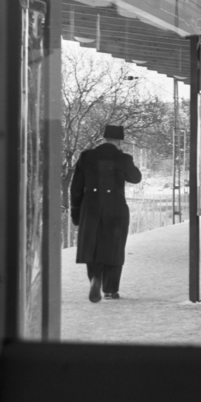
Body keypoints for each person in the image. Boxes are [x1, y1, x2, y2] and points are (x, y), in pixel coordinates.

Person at [70, 123, 142, 302]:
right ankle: (110, 289)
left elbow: (76, 187)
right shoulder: (123, 158)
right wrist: (124, 160)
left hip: (90, 208)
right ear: (119, 141)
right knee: (114, 246)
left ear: (104, 138)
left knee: (92, 246)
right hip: (115, 208)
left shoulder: (86, 156)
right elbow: (136, 178)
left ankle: (95, 278)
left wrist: (76, 213)